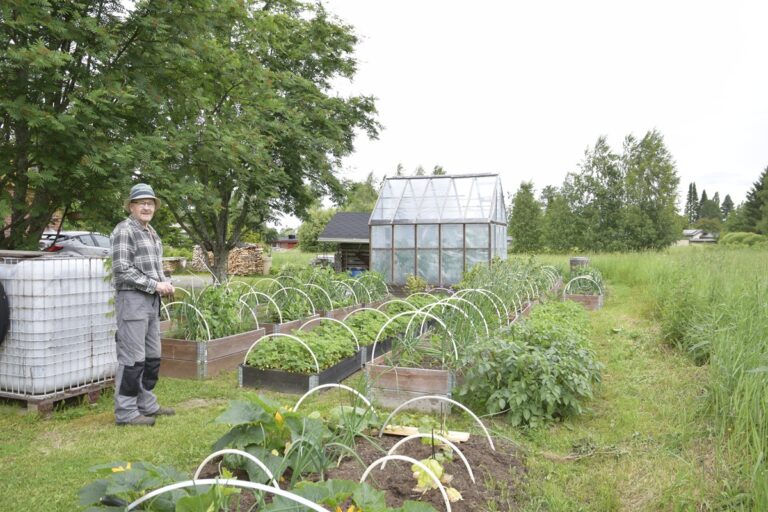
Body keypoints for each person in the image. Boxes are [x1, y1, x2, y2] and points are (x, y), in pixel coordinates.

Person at [110, 183, 175, 426]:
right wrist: (155, 285)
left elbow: (154, 269)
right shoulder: (124, 230)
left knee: (151, 357)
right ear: (131, 206)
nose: (147, 206)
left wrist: (165, 282)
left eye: (150, 203)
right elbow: (122, 270)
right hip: (133, 301)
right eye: (141, 202)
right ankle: (126, 413)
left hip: (151, 302)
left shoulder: (151, 232)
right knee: (133, 359)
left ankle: (146, 404)